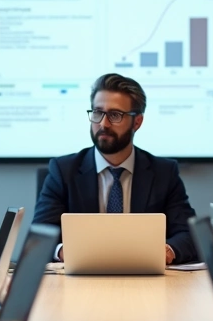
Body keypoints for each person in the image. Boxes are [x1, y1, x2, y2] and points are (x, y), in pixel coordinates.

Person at [33, 73, 197, 264]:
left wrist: (167, 250)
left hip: (145, 281)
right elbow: (39, 237)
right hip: (80, 282)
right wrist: (62, 251)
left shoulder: (164, 172)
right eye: (97, 112)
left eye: (115, 115)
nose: (103, 123)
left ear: (137, 122)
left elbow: (188, 235)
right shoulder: (63, 171)